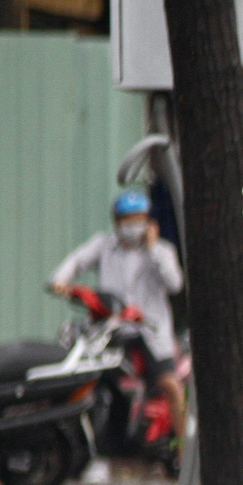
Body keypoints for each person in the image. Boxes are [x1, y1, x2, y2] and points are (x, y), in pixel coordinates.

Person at [49, 188, 188, 445]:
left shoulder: (161, 251)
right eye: (128, 221)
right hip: (111, 329)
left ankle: (185, 448)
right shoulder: (104, 246)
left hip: (150, 332)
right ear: (117, 222)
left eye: (139, 219)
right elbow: (76, 262)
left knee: (170, 384)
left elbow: (175, 284)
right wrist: (60, 282)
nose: (134, 226)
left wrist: (152, 248)